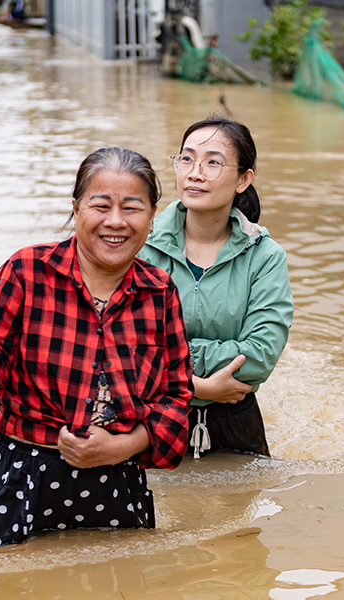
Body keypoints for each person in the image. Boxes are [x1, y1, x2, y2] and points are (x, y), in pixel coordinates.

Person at [0, 147, 193, 549]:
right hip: (20, 473)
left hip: (117, 475)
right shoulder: (27, 271)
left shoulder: (159, 291)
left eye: (132, 208)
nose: (115, 222)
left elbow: (176, 398)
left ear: (152, 215)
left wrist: (121, 447)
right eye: (100, 205)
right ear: (76, 208)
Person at [139, 117, 293, 458]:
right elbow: (123, 350)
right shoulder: (141, 246)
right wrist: (198, 385)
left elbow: (260, 356)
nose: (195, 172)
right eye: (187, 159)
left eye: (213, 162)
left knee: (241, 509)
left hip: (235, 421)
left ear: (243, 179)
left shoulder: (265, 256)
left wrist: (169, 360)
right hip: (149, 419)